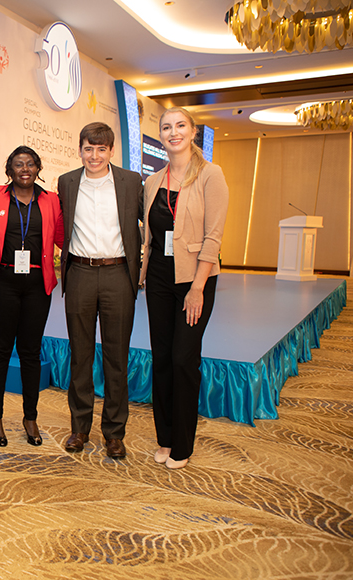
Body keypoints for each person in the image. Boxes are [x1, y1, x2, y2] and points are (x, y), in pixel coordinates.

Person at [141, 107, 228, 469]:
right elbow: (149, 233)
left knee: (183, 359)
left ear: (193, 132)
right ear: (160, 135)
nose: (173, 132)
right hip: (159, 276)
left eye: (180, 126)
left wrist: (198, 287)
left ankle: (183, 444)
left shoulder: (210, 175)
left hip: (194, 276)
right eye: (166, 127)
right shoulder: (153, 180)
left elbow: (214, 235)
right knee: (161, 358)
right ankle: (164, 437)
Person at [0, 146, 64, 446]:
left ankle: (30, 417)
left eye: (31, 164)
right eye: (18, 164)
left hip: (38, 284)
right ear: (9, 170)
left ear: (38, 169)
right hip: (2, 282)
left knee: (31, 353)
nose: (25, 169)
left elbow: (63, 238)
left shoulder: (51, 201)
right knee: (0, 350)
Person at [57, 122, 144, 459]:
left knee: (116, 357)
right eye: (88, 149)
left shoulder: (131, 181)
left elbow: (148, 221)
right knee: (80, 356)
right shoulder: (67, 182)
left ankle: (114, 433)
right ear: (80, 150)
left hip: (118, 274)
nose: (94, 156)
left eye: (101, 149)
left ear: (111, 151)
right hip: (79, 272)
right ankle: (79, 428)